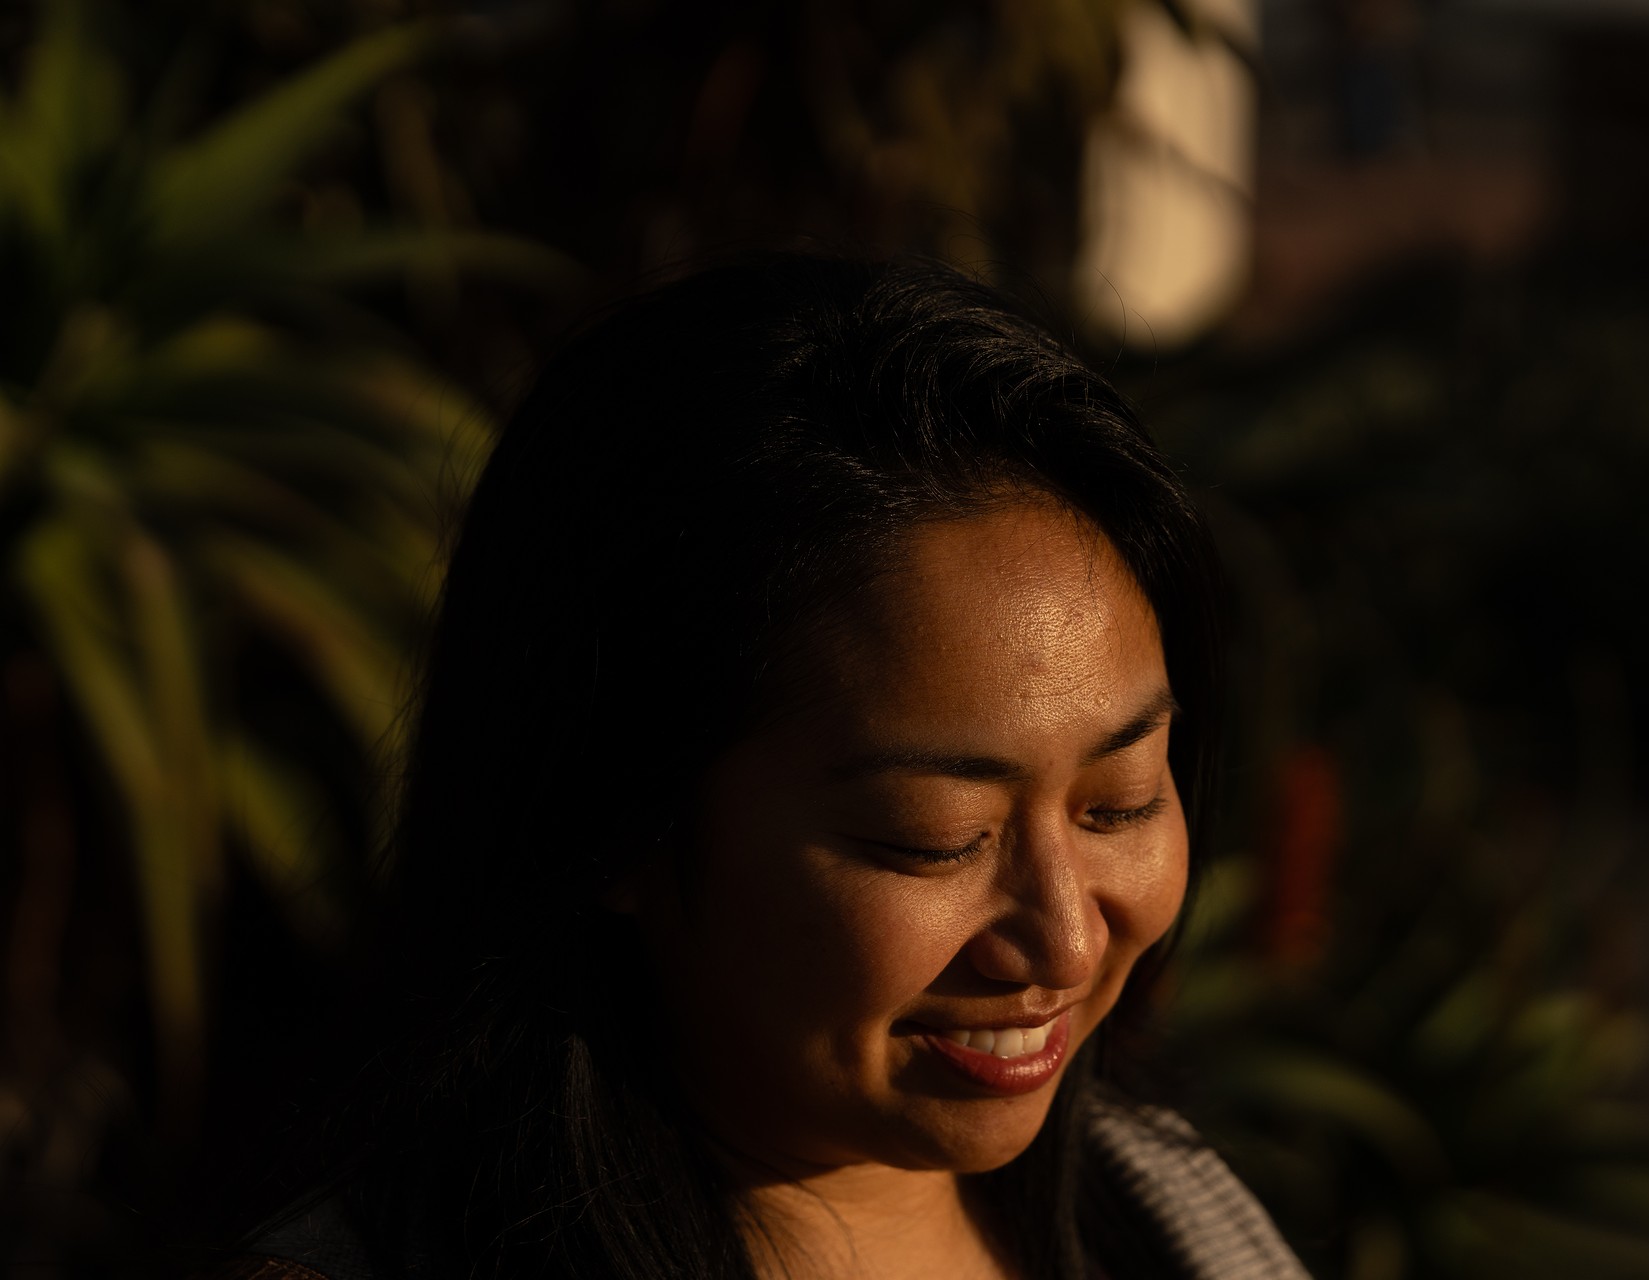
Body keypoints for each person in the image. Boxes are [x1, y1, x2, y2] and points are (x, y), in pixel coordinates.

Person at [209, 254, 1307, 1279]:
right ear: (614, 812)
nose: (1065, 938)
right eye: (930, 836)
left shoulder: (1171, 1209)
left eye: (1117, 806)